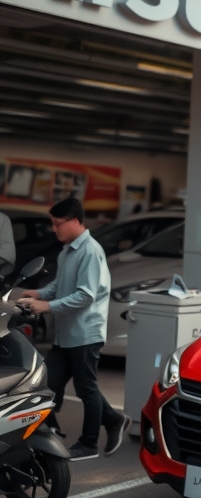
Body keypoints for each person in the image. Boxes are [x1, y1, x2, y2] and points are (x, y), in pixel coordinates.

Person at [17, 197, 127, 461]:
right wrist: (37, 292)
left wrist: (46, 306)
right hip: (66, 333)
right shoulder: (68, 250)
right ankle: (112, 420)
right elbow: (58, 286)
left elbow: (85, 296)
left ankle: (89, 443)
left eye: (58, 224)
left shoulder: (90, 251)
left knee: (85, 388)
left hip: (85, 332)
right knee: (50, 383)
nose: (54, 229)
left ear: (75, 220)